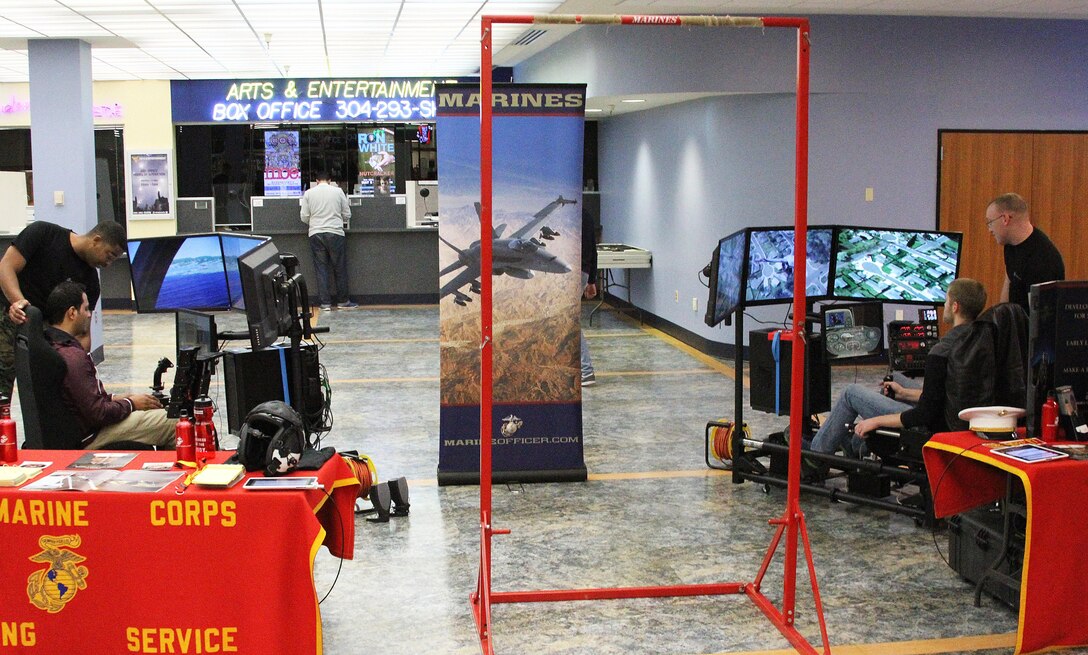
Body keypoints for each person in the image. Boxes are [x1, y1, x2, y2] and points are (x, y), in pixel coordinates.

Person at [810, 278, 988, 457]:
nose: (944, 303)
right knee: (895, 379)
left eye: (947, 300)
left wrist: (876, 421)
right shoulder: (982, 342)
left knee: (850, 393)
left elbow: (923, 414)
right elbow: (946, 393)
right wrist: (903, 393)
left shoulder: (941, 351)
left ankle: (814, 457)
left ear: (955, 306)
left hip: (933, 427)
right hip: (960, 419)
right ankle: (859, 446)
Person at [0, 220, 127, 398]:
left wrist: (78, 364)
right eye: (109, 255)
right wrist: (19, 303)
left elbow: (82, 333)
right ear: (96, 240)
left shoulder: (90, 283)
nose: (108, 264)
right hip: (8, 314)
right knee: (2, 385)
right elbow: (6, 267)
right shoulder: (43, 234)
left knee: (47, 394)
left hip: (43, 333)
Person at [45, 281, 175, 449]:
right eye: (85, 309)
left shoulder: (50, 343)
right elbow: (98, 414)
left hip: (75, 431)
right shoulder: (72, 357)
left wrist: (115, 399)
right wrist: (131, 403)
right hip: (91, 437)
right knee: (175, 422)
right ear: (72, 313)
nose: (90, 315)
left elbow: (82, 400)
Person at [984, 192, 1064, 312]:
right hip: (1016, 324)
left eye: (990, 222)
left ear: (1005, 219)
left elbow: (1040, 317)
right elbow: (1009, 281)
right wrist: (1001, 322)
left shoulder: (1042, 259)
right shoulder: (1010, 245)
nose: (989, 229)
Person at [300, 172, 357, 311]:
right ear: (330, 181)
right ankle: (343, 301)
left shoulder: (308, 193)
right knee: (339, 268)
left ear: (316, 180)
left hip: (316, 233)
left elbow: (304, 216)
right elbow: (347, 214)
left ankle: (325, 303)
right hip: (335, 232)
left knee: (321, 269)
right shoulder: (338, 192)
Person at [580, 210, 599, 387]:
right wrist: (591, 279)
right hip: (583, 271)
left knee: (568, 322)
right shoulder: (586, 214)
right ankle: (585, 370)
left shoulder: (576, 214)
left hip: (574, 271)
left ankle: (585, 370)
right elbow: (593, 250)